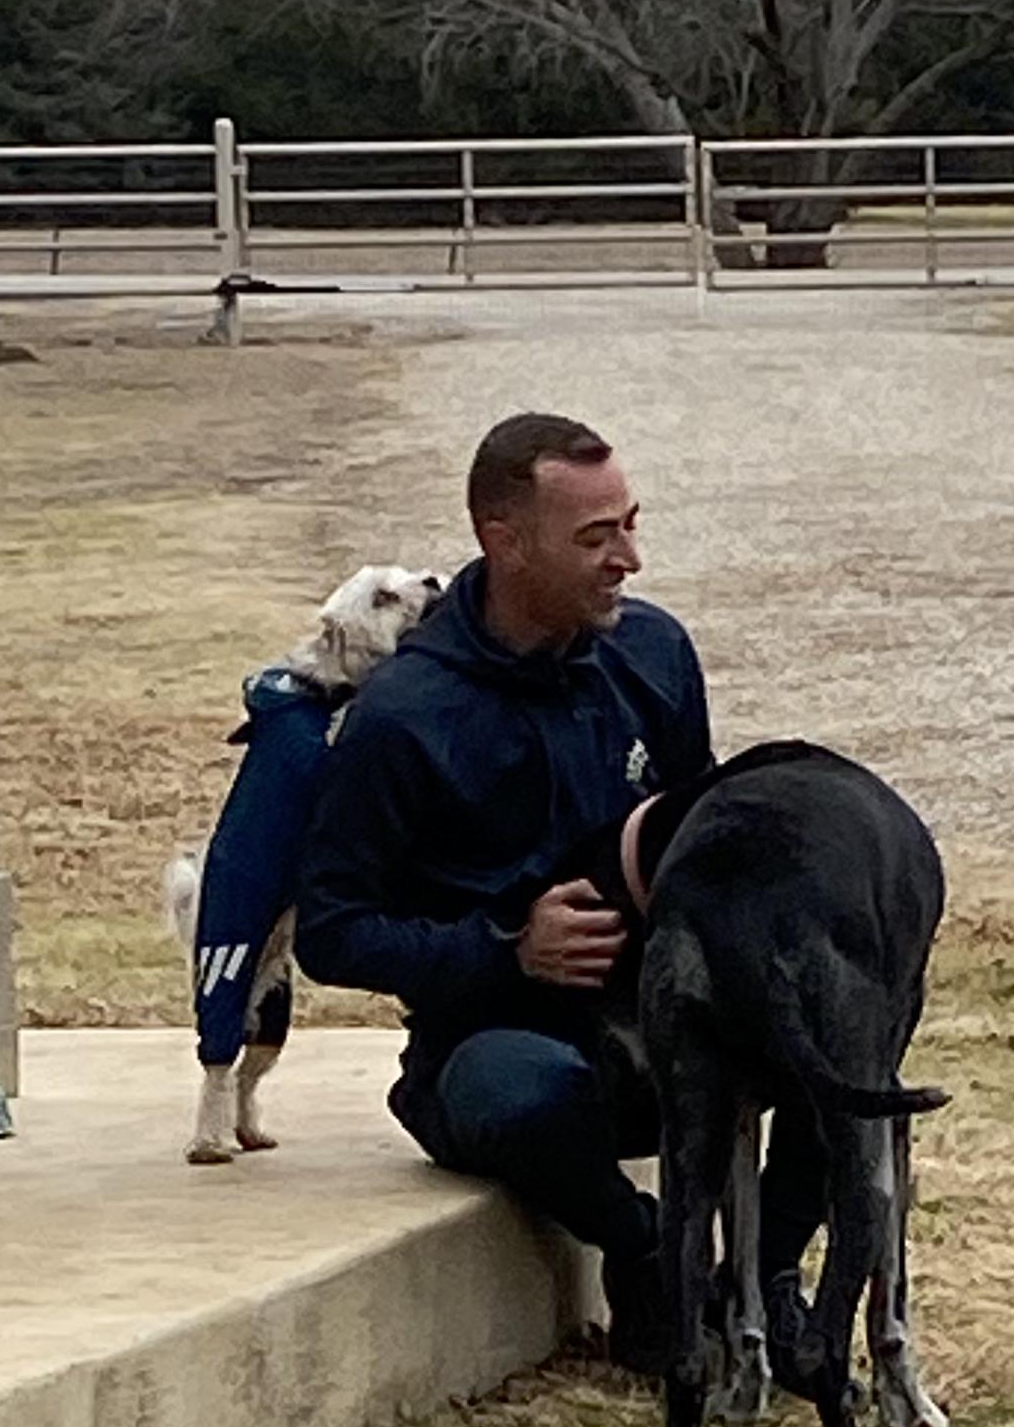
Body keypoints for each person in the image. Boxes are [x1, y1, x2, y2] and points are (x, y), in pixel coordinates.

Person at [292, 411, 706, 1358]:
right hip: (493, 1046)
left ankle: (764, 1291)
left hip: (660, 1022)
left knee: (829, 1061)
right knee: (520, 1088)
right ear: (504, 540)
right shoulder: (404, 718)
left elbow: (698, 833)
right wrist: (509, 949)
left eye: (632, 525)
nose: (629, 560)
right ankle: (647, 1250)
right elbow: (333, 931)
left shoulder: (654, 655)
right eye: (596, 538)